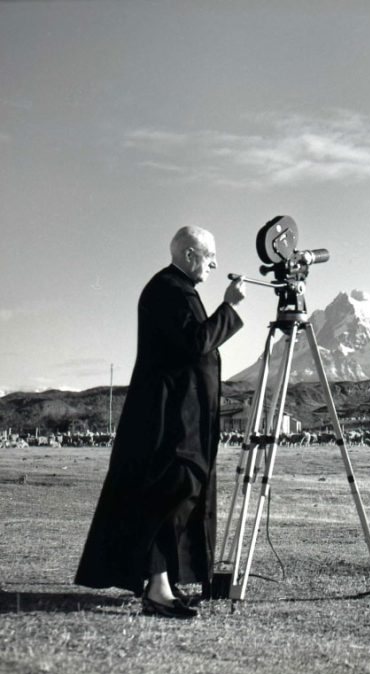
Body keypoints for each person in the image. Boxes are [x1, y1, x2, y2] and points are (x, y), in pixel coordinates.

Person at [75, 226, 246, 619]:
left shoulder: (175, 288)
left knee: (175, 492)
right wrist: (229, 307)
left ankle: (161, 584)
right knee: (172, 491)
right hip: (170, 420)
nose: (216, 263)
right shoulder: (169, 290)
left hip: (180, 416)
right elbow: (196, 343)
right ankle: (157, 586)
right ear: (189, 256)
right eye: (210, 255)